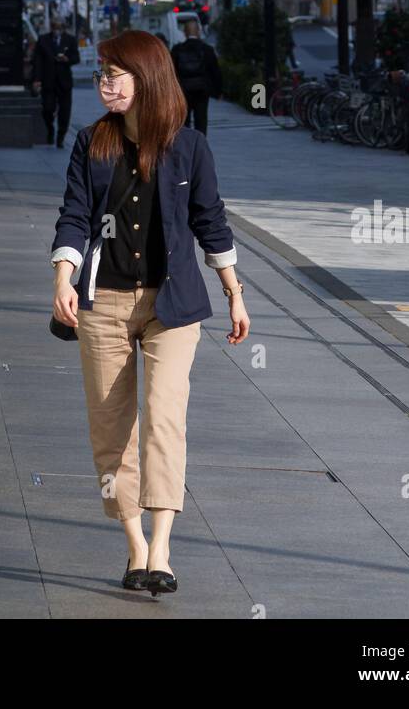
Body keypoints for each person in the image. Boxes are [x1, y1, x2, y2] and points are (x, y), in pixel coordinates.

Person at [50, 30, 249, 596]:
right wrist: (63, 276)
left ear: (146, 77)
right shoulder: (92, 142)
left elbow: (211, 222)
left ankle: (162, 547)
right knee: (111, 428)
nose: (103, 85)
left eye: (113, 75)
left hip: (173, 303)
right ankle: (135, 544)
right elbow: (74, 216)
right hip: (104, 302)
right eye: (100, 75)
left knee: (164, 418)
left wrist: (234, 291)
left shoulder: (189, 147)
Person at [33, 16, 80, 147]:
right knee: (47, 109)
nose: (57, 30)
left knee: (65, 111)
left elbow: (76, 58)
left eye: (59, 28)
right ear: (51, 27)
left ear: (63, 28)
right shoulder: (43, 40)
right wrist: (36, 79)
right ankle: (50, 130)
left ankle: (61, 136)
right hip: (48, 81)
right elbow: (37, 61)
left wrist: (67, 59)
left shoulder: (70, 40)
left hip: (64, 82)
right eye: (54, 27)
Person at [171, 19, 222, 135]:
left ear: (185, 32)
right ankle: (200, 146)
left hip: (183, 90)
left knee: (184, 121)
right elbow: (215, 71)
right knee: (201, 120)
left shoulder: (177, 50)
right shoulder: (207, 49)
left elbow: (171, 72)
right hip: (202, 90)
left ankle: (186, 146)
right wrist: (218, 91)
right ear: (198, 31)